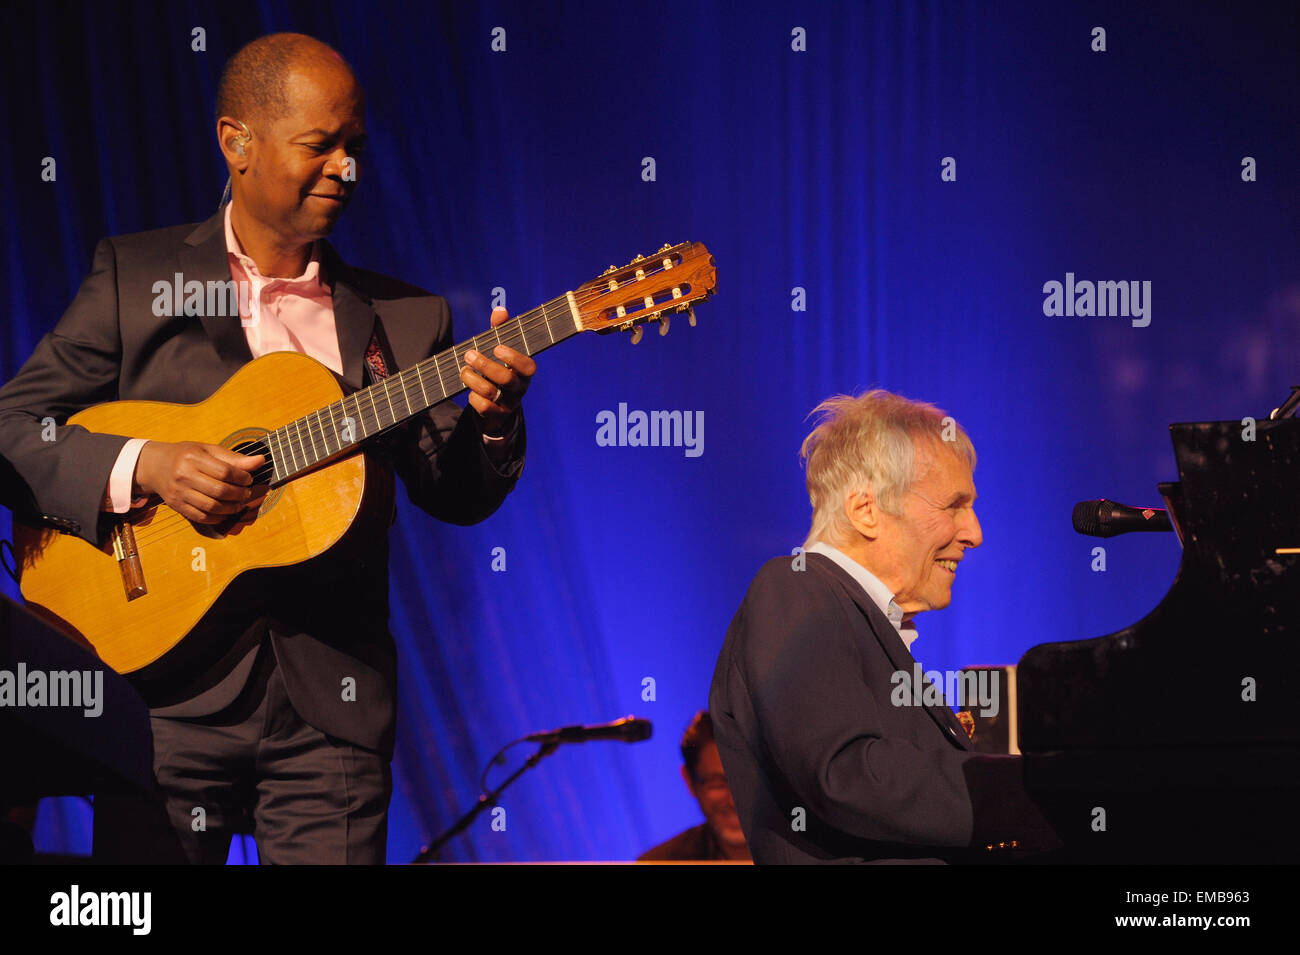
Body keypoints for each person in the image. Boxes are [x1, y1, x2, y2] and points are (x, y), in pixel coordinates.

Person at [0, 33, 535, 863]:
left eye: (354, 148)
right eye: (319, 145)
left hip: (333, 715)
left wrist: (494, 418)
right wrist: (147, 463)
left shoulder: (404, 318)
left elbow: (454, 492)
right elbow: (12, 429)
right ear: (236, 142)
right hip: (162, 696)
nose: (345, 169)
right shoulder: (134, 280)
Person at [709, 390, 1059, 864]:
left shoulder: (851, 616)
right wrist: (1049, 790)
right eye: (954, 505)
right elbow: (845, 773)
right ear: (865, 510)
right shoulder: (795, 586)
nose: (974, 533)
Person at [637, 711, 750, 862]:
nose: (733, 801)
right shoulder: (660, 861)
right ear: (689, 781)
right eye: (716, 783)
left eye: (747, 782)